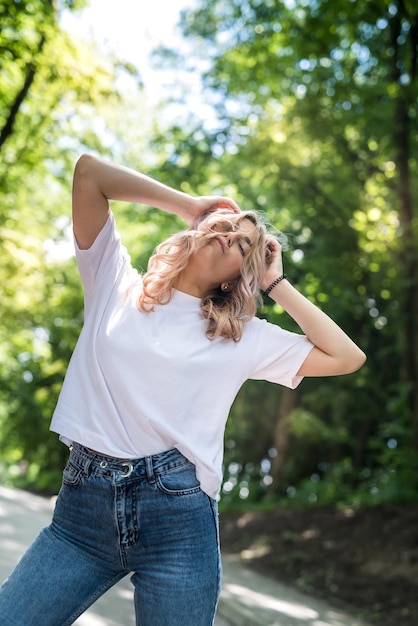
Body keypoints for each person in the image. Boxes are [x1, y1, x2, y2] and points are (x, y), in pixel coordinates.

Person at [0, 154, 366, 626]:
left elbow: (346, 356)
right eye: (227, 223)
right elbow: (89, 173)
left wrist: (275, 284)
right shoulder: (114, 283)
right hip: (82, 521)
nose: (229, 233)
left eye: (243, 245)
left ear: (239, 276)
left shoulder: (241, 337)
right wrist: (191, 205)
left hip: (179, 525)